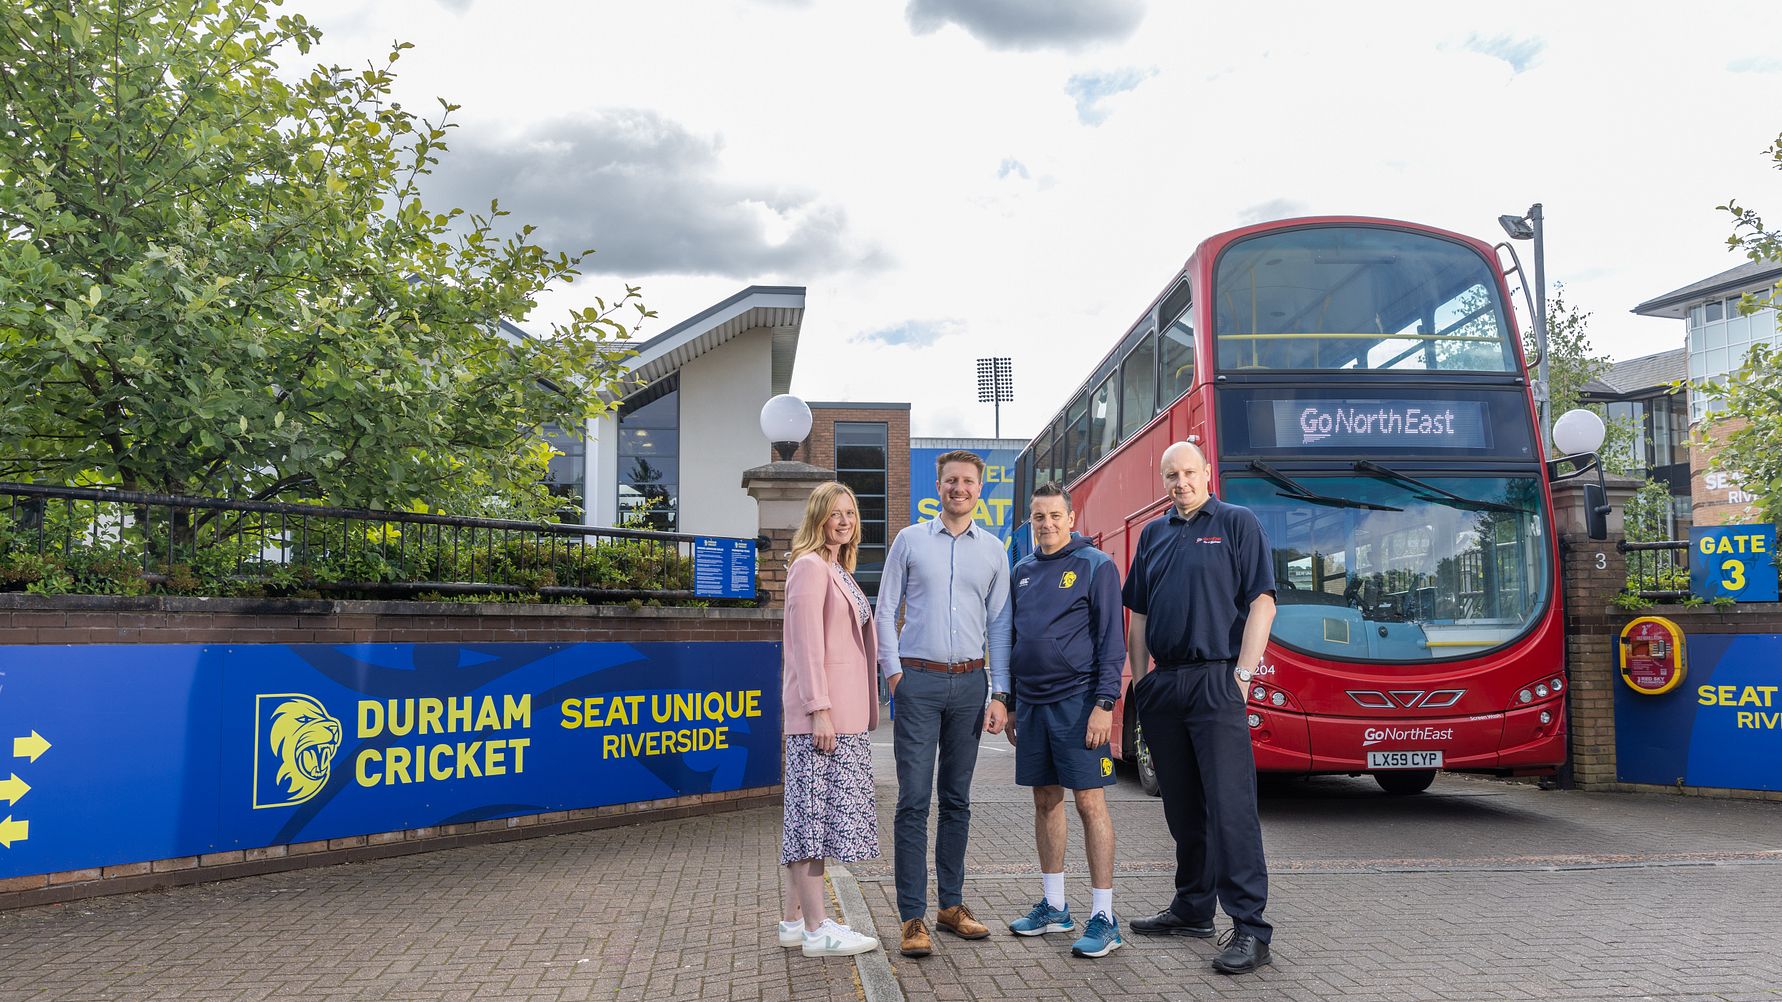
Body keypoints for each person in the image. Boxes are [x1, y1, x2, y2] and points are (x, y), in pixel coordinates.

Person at [1122, 441, 1279, 975]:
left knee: (1230, 808)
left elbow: (1263, 600)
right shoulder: (1153, 534)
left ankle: (1251, 927)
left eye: (1188, 472)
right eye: (1170, 475)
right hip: (1165, 685)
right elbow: (1138, 614)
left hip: (1217, 681)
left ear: (1206, 471)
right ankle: (1193, 908)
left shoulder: (1237, 522)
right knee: (1183, 807)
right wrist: (1142, 684)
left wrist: (1243, 675)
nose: (1180, 482)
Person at [877, 450, 1012, 958]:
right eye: (951, 480)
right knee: (913, 801)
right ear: (938, 486)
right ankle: (912, 917)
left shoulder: (994, 551)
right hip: (918, 681)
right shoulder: (909, 540)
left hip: (970, 686)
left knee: (957, 800)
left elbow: (1000, 626)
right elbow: (885, 608)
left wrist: (999, 692)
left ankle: (950, 906)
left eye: (968, 481)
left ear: (980, 489)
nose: (959, 488)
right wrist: (895, 675)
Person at [993, 481, 1127, 958]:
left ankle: (1104, 916)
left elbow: (1113, 642)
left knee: (1090, 803)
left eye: (1054, 516)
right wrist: (1008, 701)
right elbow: (1011, 639)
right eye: (1038, 517)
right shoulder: (1022, 571)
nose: (1046, 524)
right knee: (1046, 800)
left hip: (1079, 703)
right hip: (1032, 705)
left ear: (1071, 519)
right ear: (1030, 522)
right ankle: (1054, 906)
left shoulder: (1096, 566)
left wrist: (1104, 704)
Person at [778, 481, 882, 958]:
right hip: (823, 720)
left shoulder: (837, 569)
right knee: (812, 823)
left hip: (842, 717)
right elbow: (805, 645)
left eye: (850, 513)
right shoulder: (809, 567)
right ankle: (819, 930)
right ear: (817, 517)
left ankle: (795, 921)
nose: (844, 521)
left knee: (811, 818)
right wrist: (819, 709)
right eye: (834, 513)